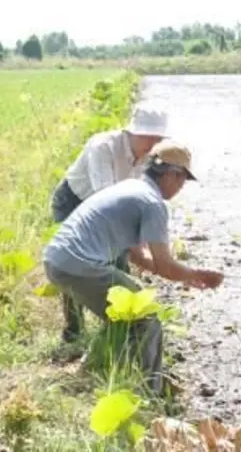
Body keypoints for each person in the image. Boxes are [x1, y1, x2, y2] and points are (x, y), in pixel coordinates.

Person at [42, 139, 224, 395]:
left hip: (56, 260)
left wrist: (186, 276)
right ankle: (150, 391)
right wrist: (198, 275)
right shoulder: (152, 204)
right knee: (146, 317)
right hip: (79, 264)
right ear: (171, 175)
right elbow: (165, 265)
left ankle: (96, 369)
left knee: (123, 313)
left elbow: (139, 257)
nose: (182, 186)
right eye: (183, 179)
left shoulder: (130, 188)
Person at [50, 106, 169, 342]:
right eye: (146, 136)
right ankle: (73, 330)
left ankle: (120, 328)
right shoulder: (102, 147)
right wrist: (137, 250)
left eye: (157, 138)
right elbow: (104, 198)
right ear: (131, 132)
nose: (151, 143)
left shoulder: (152, 159)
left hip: (111, 207)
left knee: (118, 264)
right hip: (74, 201)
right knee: (76, 263)